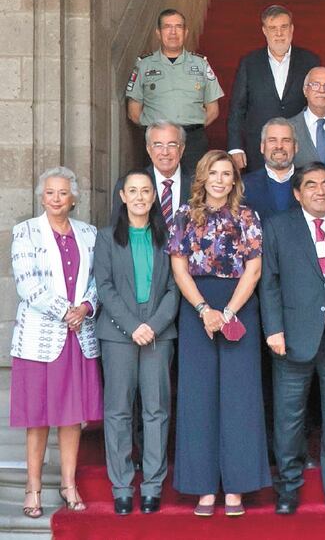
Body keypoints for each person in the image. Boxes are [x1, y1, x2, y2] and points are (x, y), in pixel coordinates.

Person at [167, 150, 269, 516]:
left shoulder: (247, 216)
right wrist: (203, 310)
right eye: (214, 172)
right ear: (203, 176)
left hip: (238, 305)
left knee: (239, 398)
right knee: (198, 397)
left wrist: (226, 313)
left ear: (234, 180)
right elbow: (179, 270)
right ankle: (203, 487)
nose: (220, 179)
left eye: (226, 173)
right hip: (197, 306)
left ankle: (237, 488)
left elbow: (254, 270)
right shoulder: (183, 215)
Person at [260, 162, 325, 515]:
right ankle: (288, 487)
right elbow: (269, 281)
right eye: (311, 185)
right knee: (289, 416)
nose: (320, 191)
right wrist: (273, 329)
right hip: (290, 336)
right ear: (297, 192)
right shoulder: (277, 227)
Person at [10, 167, 103, 517]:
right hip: (39, 338)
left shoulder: (89, 234)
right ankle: (32, 488)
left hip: (78, 338)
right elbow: (27, 284)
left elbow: (97, 279)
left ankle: (68, 483)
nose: (56, 199)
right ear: (41, 196)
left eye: (63, 193)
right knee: (38, 417)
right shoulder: (26, 232)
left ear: (74, 197)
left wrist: (86, 307)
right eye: (50, 192)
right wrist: (67, 312)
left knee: (71, 417)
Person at [95, 170, 179, 515]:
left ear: (154, 196)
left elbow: (176, 288)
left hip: (159, 333)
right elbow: (105, 287)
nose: (141, 197)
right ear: (123, 197)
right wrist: (133, 327)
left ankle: (152, 486)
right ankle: (121, 486)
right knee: (117, 411)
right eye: (134, 191)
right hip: (118, 333)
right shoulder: (105, 238)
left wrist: (154, 325)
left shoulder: (168, 236)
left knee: (156, 409)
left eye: (146, 190)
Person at [125, 9, 224, 172]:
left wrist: (190, 129)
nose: (173, 32)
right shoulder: (144, 65)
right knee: (156, 187)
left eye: (178, 27)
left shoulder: (201, 65)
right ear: (158, 33)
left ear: (185, 32)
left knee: (194, 189)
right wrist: (156, 133)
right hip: (157, 141)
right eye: (167, 27)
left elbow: (213, 110)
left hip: (192, 140)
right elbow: (133, 112)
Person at [228, 4, 321, 172]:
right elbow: (237, 107)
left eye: (284, 27)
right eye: (273, 28)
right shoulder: (250, 62)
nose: (279, 34)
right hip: (258, 149)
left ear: (292, 29)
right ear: (264, 31)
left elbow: (318, 105)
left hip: (299, 149)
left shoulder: (310, 61)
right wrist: (235, 147)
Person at [111, 121, 191, 228]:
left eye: (172, 145)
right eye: (158, 145)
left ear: (181, 149)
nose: (165, 152)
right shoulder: (127, 184)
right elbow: (117, 231)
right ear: (148, 149)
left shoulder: (197, 183)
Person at [242, 118, 300, 224]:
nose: (279, 146)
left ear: (295, 147)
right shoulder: (244, 186)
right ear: (262, 147)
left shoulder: (311, 183)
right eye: (272, 140)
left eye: (286, 140)